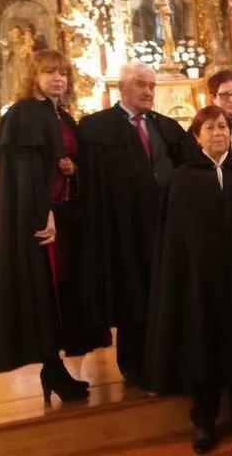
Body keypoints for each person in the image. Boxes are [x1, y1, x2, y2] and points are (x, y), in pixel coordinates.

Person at [144, 106, 232, 454]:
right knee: (203, 346)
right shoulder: (183, 179)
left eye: (223, 127)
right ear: (197, 135)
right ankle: (203, 421)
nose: (219, 132)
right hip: (199, 283)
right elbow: (174, 240)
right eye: (211, 127)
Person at [0, 49, 109, 402]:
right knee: (44, 294)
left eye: (63, 73)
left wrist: (74, 169)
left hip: (66, 218)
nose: (58, 79)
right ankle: (51, 368)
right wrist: (46, 215)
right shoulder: (24, 115)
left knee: (64, 292)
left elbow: (65, 162)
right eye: (50, 72)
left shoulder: (62, 117)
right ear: (33, 76)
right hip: (42, 222)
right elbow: (26, 178)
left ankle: (54, 370)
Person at [78, 61, 187, 387]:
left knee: (166, 292)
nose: (148, 91)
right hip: (123, 230)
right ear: (122, 87)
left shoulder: (165, 127)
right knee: (132, 294)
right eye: (141, 84)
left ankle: (170, 358)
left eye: (152, 86)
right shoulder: (97, 129)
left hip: (165, 227)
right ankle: (135, 364)